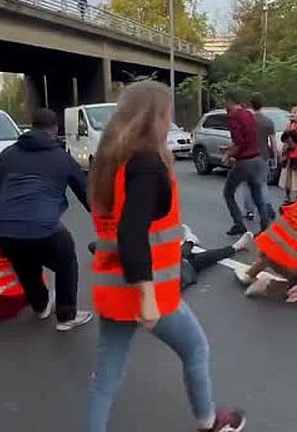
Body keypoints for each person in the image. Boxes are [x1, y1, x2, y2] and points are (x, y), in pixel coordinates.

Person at [85, 80, 246, 432]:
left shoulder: (110, 161)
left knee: (106, 380)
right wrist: (145, 296)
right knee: (196, 349)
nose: (171, 120)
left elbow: (114, 226)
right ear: (155, 116)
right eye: (168, 113)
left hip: (112, 289)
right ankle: (208, 422)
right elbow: (132, 233)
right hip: (150, 290)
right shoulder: (145, 164)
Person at [0, 108, 93, 331]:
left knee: (25, 263)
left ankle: (41, 306)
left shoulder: (6, 155)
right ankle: (67, 315)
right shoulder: (61, 157)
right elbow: (87, 194)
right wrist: (106, 223)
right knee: (66, 259)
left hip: (4, 228)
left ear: (31, 126)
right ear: (55, 129)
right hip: (43, 227)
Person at [89, 225, 254, 292]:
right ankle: (234, 247)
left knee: (186, 254)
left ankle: (191, 241)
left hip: (171, 267)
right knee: (201, 258)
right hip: (174, 274)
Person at [222, 93, 271, 236]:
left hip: (244, 162)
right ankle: (265, 225)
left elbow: (240, 142)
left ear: (231, 102)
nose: (224, 106)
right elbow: (247, 139)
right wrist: (231, 149)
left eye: (225, 102)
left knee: (228, 193)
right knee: (257, 192)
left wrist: (227, 154)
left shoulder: (234, 118)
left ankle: (239, 224)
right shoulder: (248, 115)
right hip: (257, 158)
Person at [250, 93, 277, 220]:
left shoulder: (248, 121)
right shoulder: (268, 122)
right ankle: (268, 207)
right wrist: (275, 158)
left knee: (247, 184)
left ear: (251, 105)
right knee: (262, 183)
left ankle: (249, 210)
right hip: (263, 156)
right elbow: (273, 142)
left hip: (248, 156)